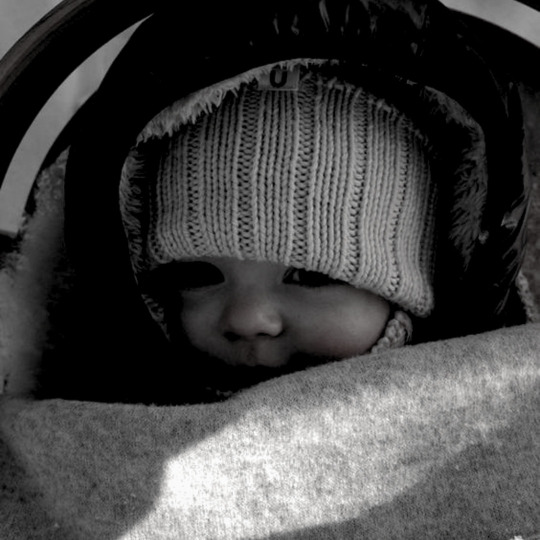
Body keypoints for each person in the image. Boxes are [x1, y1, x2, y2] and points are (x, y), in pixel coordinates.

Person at [36, 0, 534, 404]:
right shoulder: (98, 404)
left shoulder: (499, 403)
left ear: (416, 288)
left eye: (310, 276)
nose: (248, 318)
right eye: (196, 274)